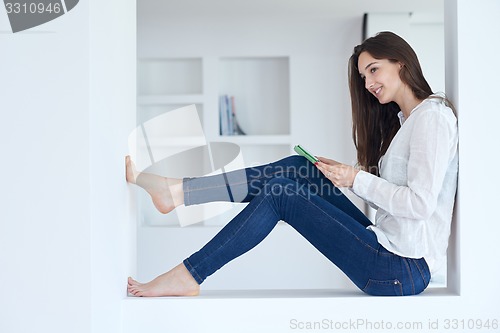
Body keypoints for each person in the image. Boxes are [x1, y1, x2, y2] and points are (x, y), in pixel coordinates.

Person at [126, 31, 458, 297]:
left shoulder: (433, 118)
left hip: (403, 268)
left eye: (374, 70)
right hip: (388, 248)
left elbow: (420, 204)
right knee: (298, 167)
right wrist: (343, 176)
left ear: (400, 62)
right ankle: (178, 192)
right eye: (363, 76)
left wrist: (356, 179)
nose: (368, 83)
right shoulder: (407, 123)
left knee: (281, 193)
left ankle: (188, 274)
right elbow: (395, 199)